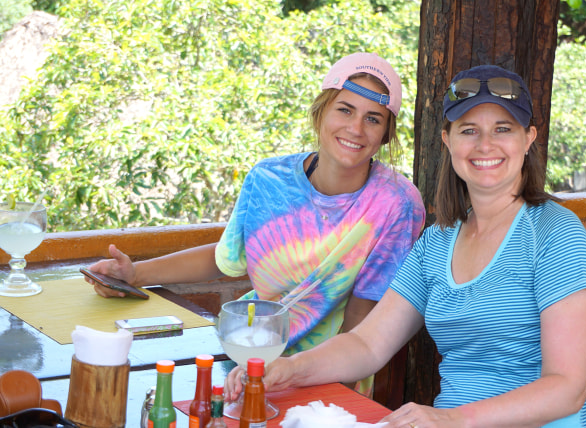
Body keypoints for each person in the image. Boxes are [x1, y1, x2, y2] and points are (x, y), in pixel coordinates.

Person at [254, 65, 586, 427]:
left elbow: (567, 388)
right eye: (469, 131)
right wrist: (290, 369)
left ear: (528, 138)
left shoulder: (556, 234)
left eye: (503, 129)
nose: (486, 145)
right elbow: (368, 344)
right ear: (448, 140)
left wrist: (452, 419)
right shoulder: (438, 241)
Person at [85, 52, 426, 393]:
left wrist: (337, 403)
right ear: (320, 111)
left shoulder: (396, 204)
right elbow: (228, 258)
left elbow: (363, 316)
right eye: (345, 109)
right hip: (244, 354)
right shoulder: (268, 179)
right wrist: (136, 275)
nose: (355, 128)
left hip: (323, 375)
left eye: (373, 118)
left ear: (386, 134)